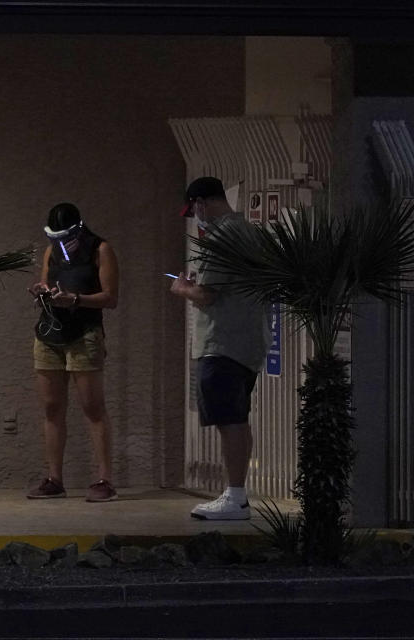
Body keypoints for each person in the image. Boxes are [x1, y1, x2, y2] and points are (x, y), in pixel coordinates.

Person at [170, 176, 271, 520]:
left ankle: (236, 496)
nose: (195, 216)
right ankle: (236, 494)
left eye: (194, 209)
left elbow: (208, 294)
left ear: (201, 202)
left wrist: (183, 289)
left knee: (230, 419)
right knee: (237, 417)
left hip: (223, 341)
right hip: (246, 340)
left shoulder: (222, 237)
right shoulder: (249, 231)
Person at [27, 203, 119, 502]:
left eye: (64, 234)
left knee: (92, 406)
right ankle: (54, 479)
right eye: (53, 235)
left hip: (84, 334)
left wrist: (76, 299)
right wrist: (43, 292)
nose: (59, 240)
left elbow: (110, 297)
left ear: (78, 228)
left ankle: (104, 479)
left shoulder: (100, 249)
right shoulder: (50, 251)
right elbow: (47, 280)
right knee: (52, 407)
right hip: (50, 333)